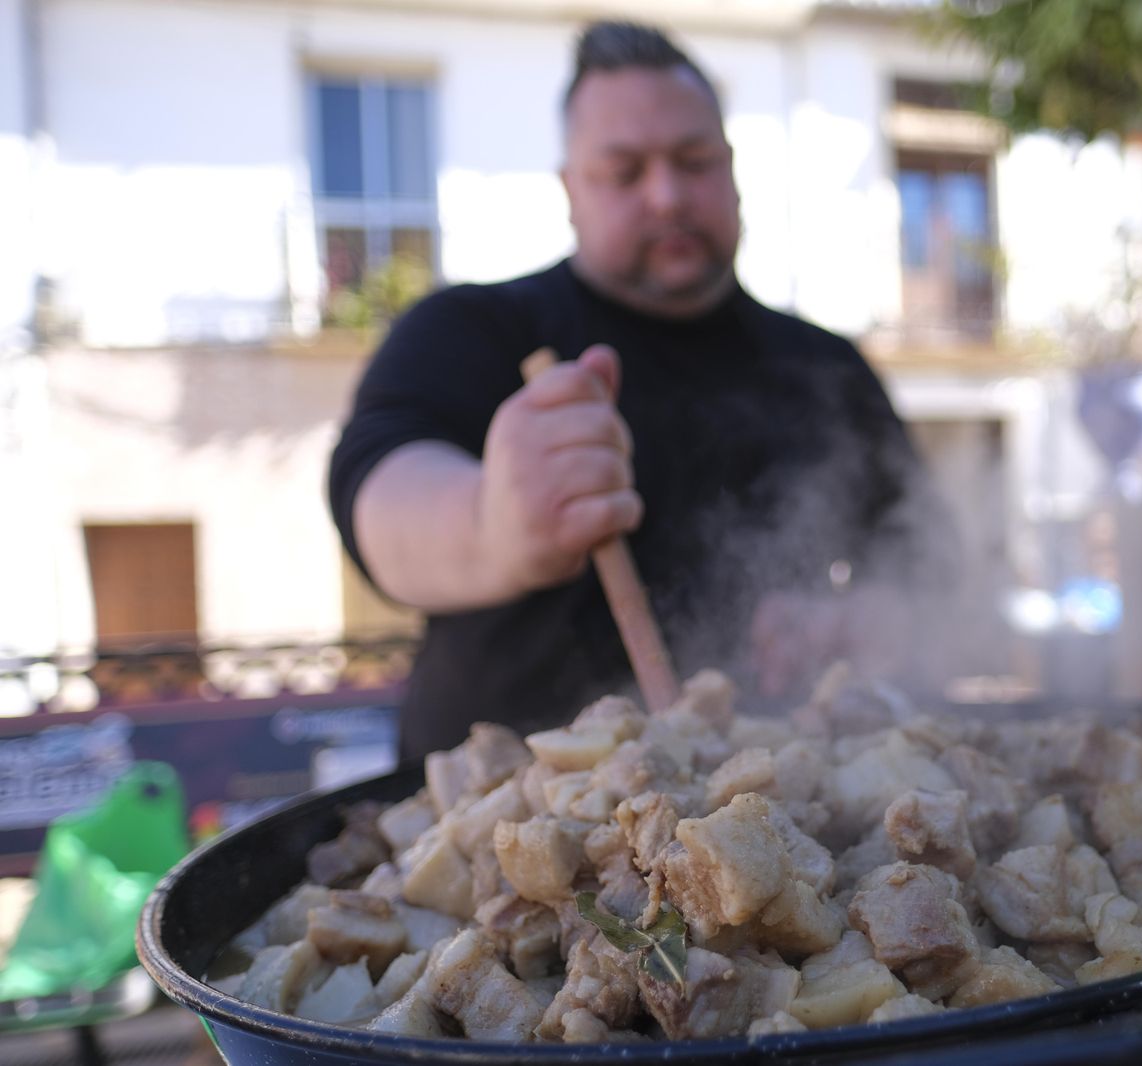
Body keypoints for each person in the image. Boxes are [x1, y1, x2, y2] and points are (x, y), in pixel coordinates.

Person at [328, 20, 952, 760]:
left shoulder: (827, 367)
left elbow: (934, 569)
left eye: (694, 162)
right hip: (504, 830)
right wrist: (491, 525)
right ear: (570, 191)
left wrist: (864, 624)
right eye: (624, 172)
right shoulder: (473, 329)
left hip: (785, 811)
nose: (667, 196)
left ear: (732, 170)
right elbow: (375, 490)